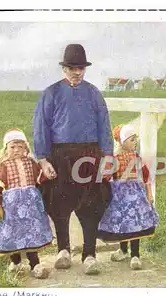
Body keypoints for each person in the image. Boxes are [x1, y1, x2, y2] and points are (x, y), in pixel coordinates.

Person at [33, 44, 113, 275]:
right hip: (60, 156)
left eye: (80, 68)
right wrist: (43, 160)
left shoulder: (93, 93)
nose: (76, 73)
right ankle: (63, 251)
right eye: (71, 68)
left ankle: (89, 254)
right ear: (64, 68)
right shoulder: (51, 93)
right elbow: (41, 127)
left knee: (91, 204)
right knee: (59, 203)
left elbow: (104, 126)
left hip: (90, 156)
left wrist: (107, 156)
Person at [0, 128, 54, 279]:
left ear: (26, 148)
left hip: (30, 207)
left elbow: (38, 179)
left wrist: (47, 176)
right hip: (12, 208)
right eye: (13, 147)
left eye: (20, 146)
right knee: (13, 234)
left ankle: (35, 264)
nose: (17, 150)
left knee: (31, 233)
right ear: (6, 148)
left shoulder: (31, 163)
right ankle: (15, 263)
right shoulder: (3, 166)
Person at [97, 124, 160, 270]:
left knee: (135, 224)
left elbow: (146, 177)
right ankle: (123, 250)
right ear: (122, 141)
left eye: (135, 139)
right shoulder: (114, 158)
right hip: (119, 198)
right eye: (132, 140)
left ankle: (135, 255)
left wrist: (149, 193)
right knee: (123, 224)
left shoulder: (137, 158)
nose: (135, 142)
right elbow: (106, 176)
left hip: (136, 196)